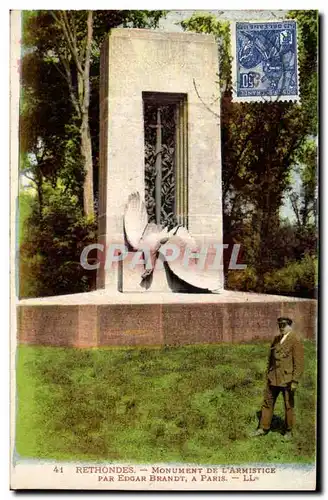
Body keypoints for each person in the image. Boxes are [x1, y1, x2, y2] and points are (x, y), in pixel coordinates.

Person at [253, 317, 304, 440]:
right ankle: (263, 428)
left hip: (287, 379)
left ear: (289, 326)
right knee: (267, 402)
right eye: (279, 325)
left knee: (288, 405)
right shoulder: (276, 339)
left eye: (284, 325)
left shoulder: (295, 340)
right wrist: (268, 374)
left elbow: (299, 363)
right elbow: (270, 359)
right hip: (273, 378)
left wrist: (295, 381)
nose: (281, 327)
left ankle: (288, 430)